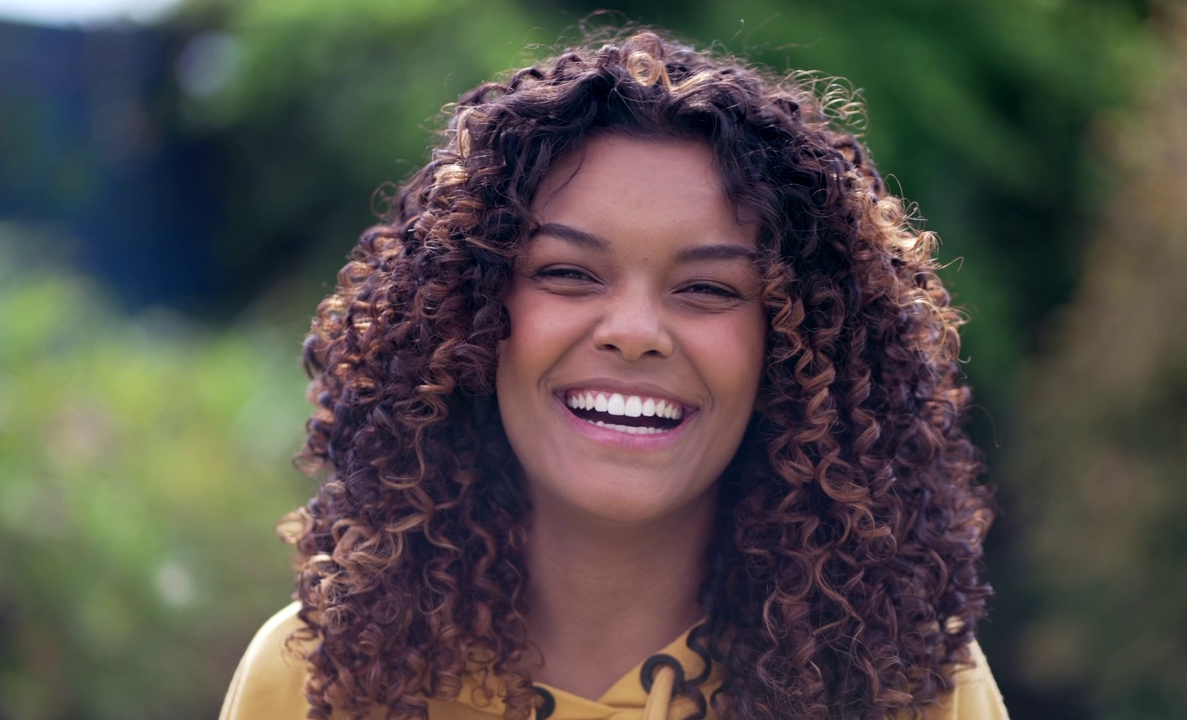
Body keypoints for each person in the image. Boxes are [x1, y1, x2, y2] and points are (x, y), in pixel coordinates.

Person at [219, 29, 1007, 720]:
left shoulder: (912, 690)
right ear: (471, 316)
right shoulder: (317, 679)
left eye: (708, 289)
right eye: (568, 274)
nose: (634, 334)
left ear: (798, 350)